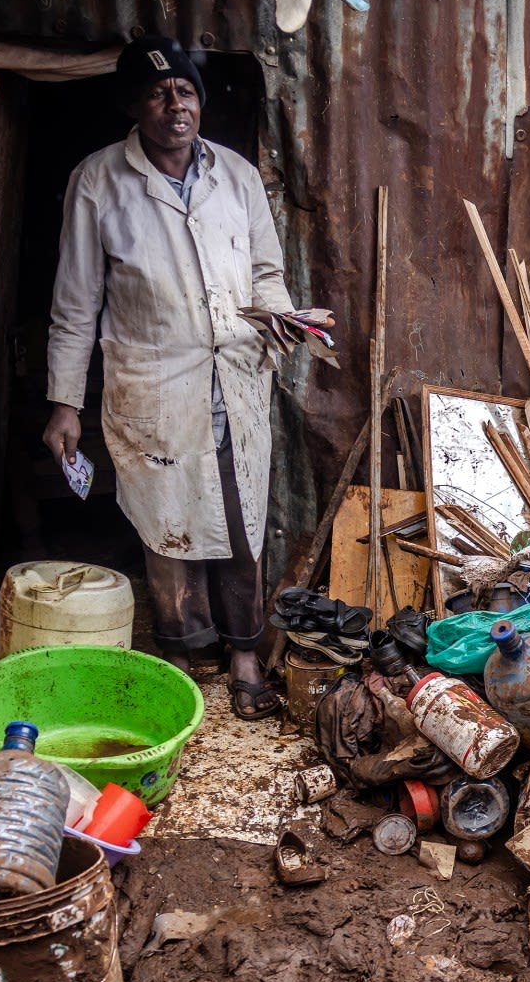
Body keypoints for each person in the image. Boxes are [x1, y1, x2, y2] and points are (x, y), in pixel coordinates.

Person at [43, 35, 329, 719]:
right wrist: (63, 402)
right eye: (158, 93)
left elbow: (265, 273)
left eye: (186, 91)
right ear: (135, 107)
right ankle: (181, 650)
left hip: (234, 371)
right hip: (153, 380)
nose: (176, 105)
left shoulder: (236, 175)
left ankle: (243, 650)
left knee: (238, 513)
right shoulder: (98, 180)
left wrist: (286, 319)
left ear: (200, 102)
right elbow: (76, 303)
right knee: (165, 518)